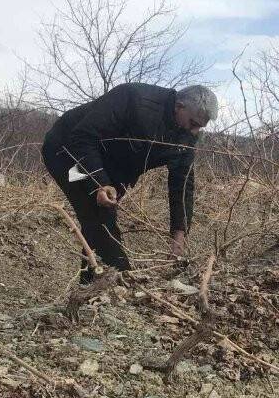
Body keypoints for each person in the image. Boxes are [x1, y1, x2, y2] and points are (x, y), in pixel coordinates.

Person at [42, 83, 218, 283]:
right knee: (98, 215)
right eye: (193, 123)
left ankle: (91, 285)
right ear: (179, 106)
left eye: (200, 128)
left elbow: (183, 185)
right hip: (67, 152)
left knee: (101, 220)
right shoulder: (134, 98)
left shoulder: (186, 136)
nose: (194, 131)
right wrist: (100, 182)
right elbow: (83, 137)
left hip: (113, 168)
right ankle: (120, 282)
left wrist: (179, 235)